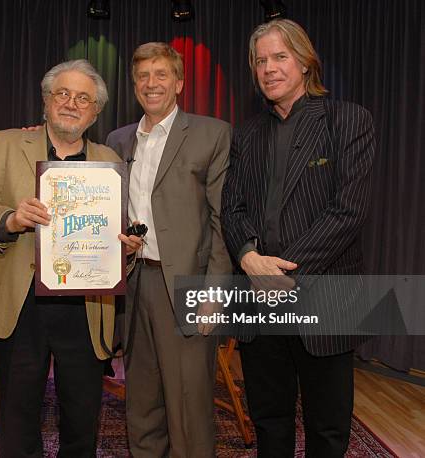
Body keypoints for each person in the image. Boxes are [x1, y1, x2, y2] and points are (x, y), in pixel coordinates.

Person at [221, 19, 375, 457]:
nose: (268, 69)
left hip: (322, 297)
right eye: (260, 60)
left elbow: (348, 212)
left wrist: (280, 269)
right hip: (258, 295)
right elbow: (231, 208)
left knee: (328, 428)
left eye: (280, 57)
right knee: (269, 419)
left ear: (306, 62)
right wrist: (249, 257)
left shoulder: (347, 120)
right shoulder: (247, 133)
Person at [0, 59, 121, 458]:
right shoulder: (3, 144)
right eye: (63, 93)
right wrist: (10, 219)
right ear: (45, 100)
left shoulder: (111, 161)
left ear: (95, 111)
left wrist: (127, 243)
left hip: (86, 307)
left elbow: (123, 226)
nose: (71, 104)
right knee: (18, 417)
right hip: (22, 302)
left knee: (81, 417)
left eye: (83, 98)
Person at [106, 42, 232, 458]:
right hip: (134, 281)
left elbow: (221, 220)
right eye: (143, 76)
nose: (151, 83)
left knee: (189, 404)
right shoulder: (117, 139)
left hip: (186, 284)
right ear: (134, 84)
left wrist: (215, 291)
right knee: (140, 396)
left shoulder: (212, 133)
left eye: (161, 74)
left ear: (178, 82)